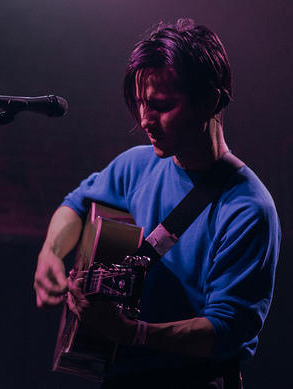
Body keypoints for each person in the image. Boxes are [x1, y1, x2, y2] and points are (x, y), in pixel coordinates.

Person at [34, 19, 280, 388]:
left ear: (211, 100)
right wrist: (51, 252)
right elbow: (76, 204)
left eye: (162, 105)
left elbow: (225, 329)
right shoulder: (135, 164)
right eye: (140, 103)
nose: (146, 119)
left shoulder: (248, 210)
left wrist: (135, 334)